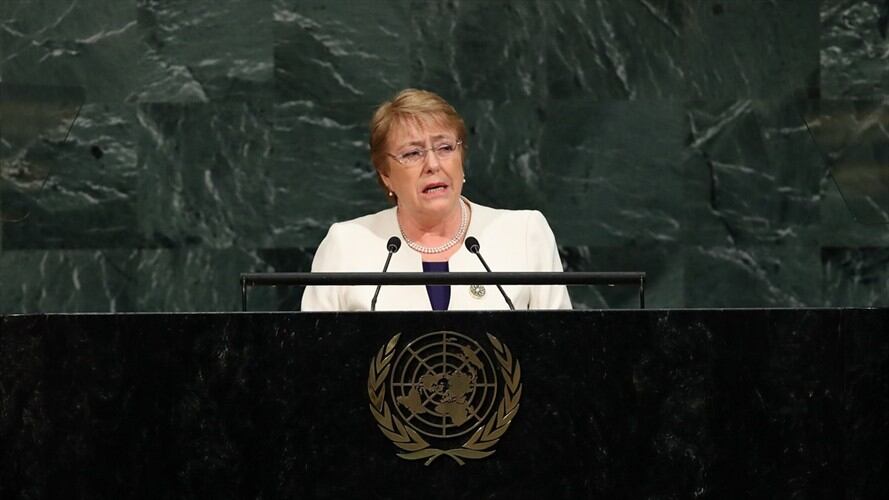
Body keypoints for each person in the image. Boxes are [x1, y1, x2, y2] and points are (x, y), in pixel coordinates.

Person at [301, 89, 571, 311]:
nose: (432, 164)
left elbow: (560, 352)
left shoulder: (524, 233)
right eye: (412, 154)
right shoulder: (346, 246)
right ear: (386, 175)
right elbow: (311, 360)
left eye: (444, 148)